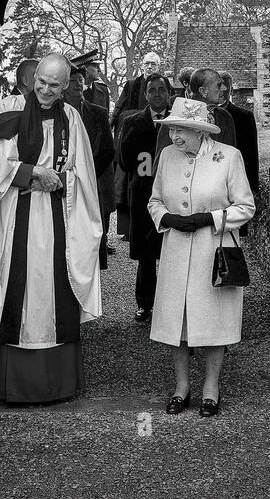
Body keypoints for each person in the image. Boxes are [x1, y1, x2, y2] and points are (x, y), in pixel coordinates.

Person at [0, 54, 103, 404]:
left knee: (52, 293)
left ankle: (56, 385)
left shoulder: (71, 117)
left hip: (57, 218)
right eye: (41, 82)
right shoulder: (9, 108)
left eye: (54, 86)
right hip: (15, 216)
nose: (45, 90)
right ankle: (12, 384)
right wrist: (31, 173)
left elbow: (84, 173)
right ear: (33, 78)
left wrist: (59, 180)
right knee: (14, 291)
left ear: (64, 86)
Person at [147, 99, 255, 417]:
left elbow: (246, 207)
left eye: (181, 129)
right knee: (175, 322)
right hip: (176, 252)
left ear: (199, 131)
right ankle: (181, 387)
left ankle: (211, 387)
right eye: (171, 129)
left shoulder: (228, 157)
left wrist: (210, 219)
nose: (174, 136)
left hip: (214, 250)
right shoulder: (167, 156)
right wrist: (166, 218)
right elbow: (153, 199)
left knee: (213, 320)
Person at [118, 73, 171, 321]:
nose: (158, 94)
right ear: (146, 94)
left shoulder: (178, 120)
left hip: (173, 194)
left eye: (162, 89)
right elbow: (125, 159)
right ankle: (145, 304)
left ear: (169, 93)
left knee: (173, 252)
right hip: (142, 194)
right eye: (153, 90)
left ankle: (172, 304)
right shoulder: (132, 121)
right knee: (146, 255)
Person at [64, 67, 115, 267]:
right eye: (73, 80)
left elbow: (108, 150)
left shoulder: (98, 113)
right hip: (64, 182)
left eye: (80, 80)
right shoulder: (56, 112)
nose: (78, 84)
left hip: (93, 181)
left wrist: (87, 172)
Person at [218, 71, 260, 232]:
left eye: (225, 86)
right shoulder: (203, 115)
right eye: (218, 86)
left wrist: (253, 187)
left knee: (233, 233)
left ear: (231, 90)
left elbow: (251, 154)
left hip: (236, 181)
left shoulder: (244, 117)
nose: (222, 90)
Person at [111, 50, 162, 127]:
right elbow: (120, 108)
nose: (149, 67)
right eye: (147, 63)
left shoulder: (165, 87)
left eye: (153, 64)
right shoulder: (131, 85)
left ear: (158, 67)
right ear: (142, 66)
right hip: (135, 128)